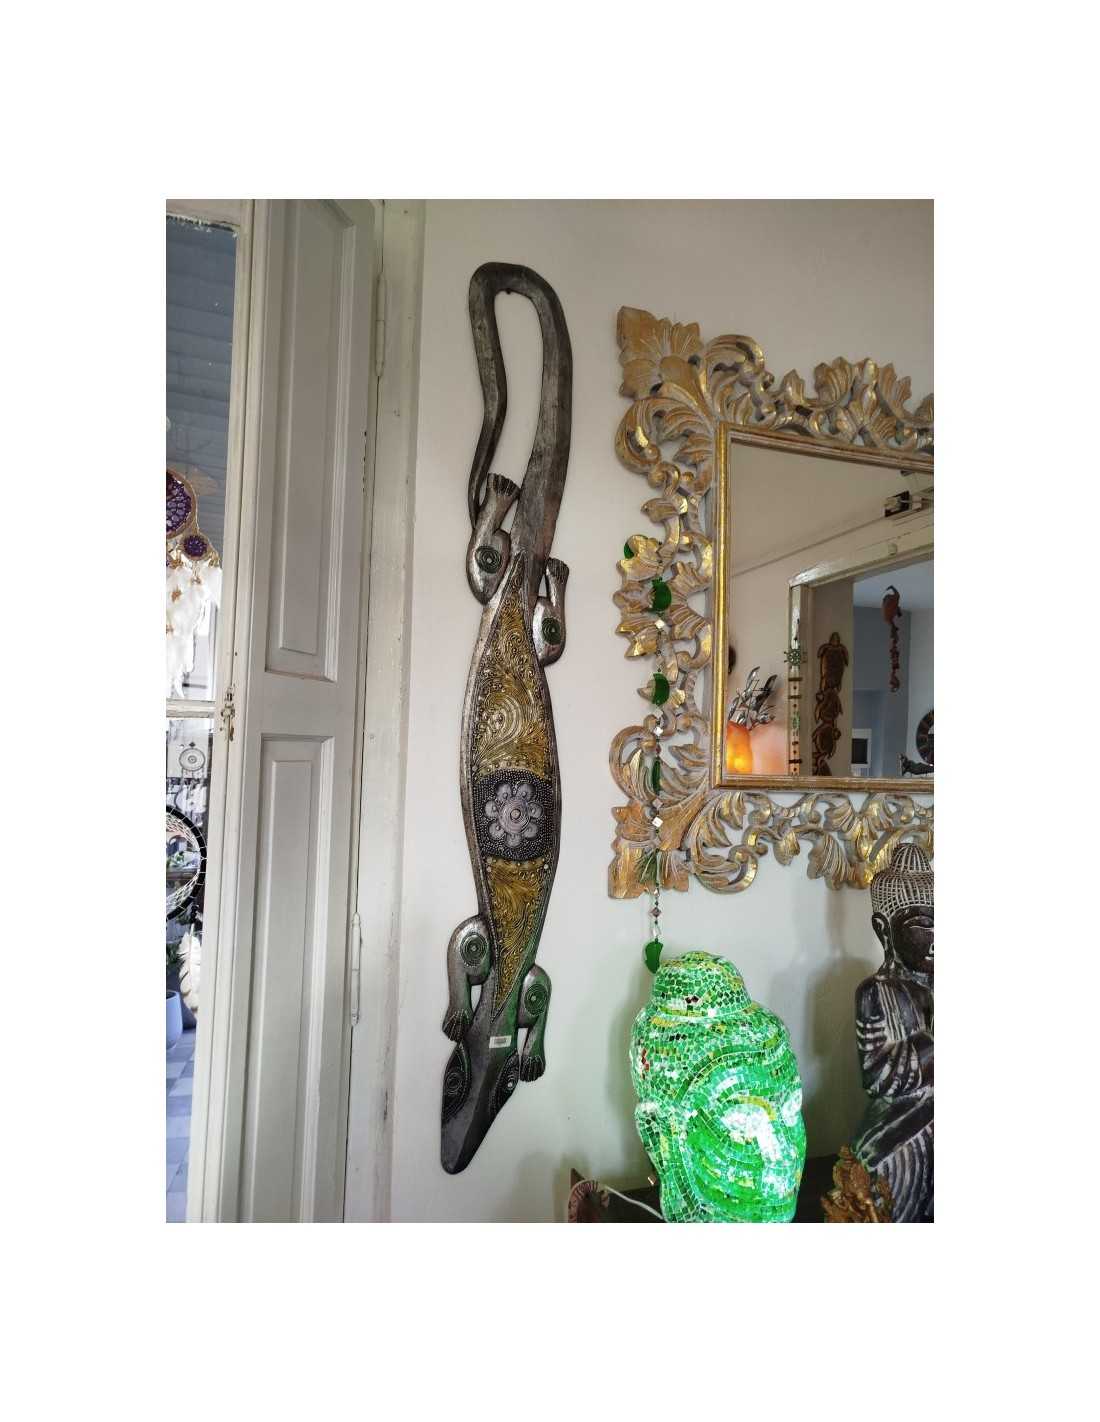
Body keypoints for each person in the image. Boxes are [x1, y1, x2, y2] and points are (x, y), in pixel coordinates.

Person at [853, 842, 934, 1222]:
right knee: (881, 1169)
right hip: (902, 1125)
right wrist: (932, 1040)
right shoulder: (875, 991)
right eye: (922, 926)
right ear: (883, 930)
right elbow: (877, 1079)